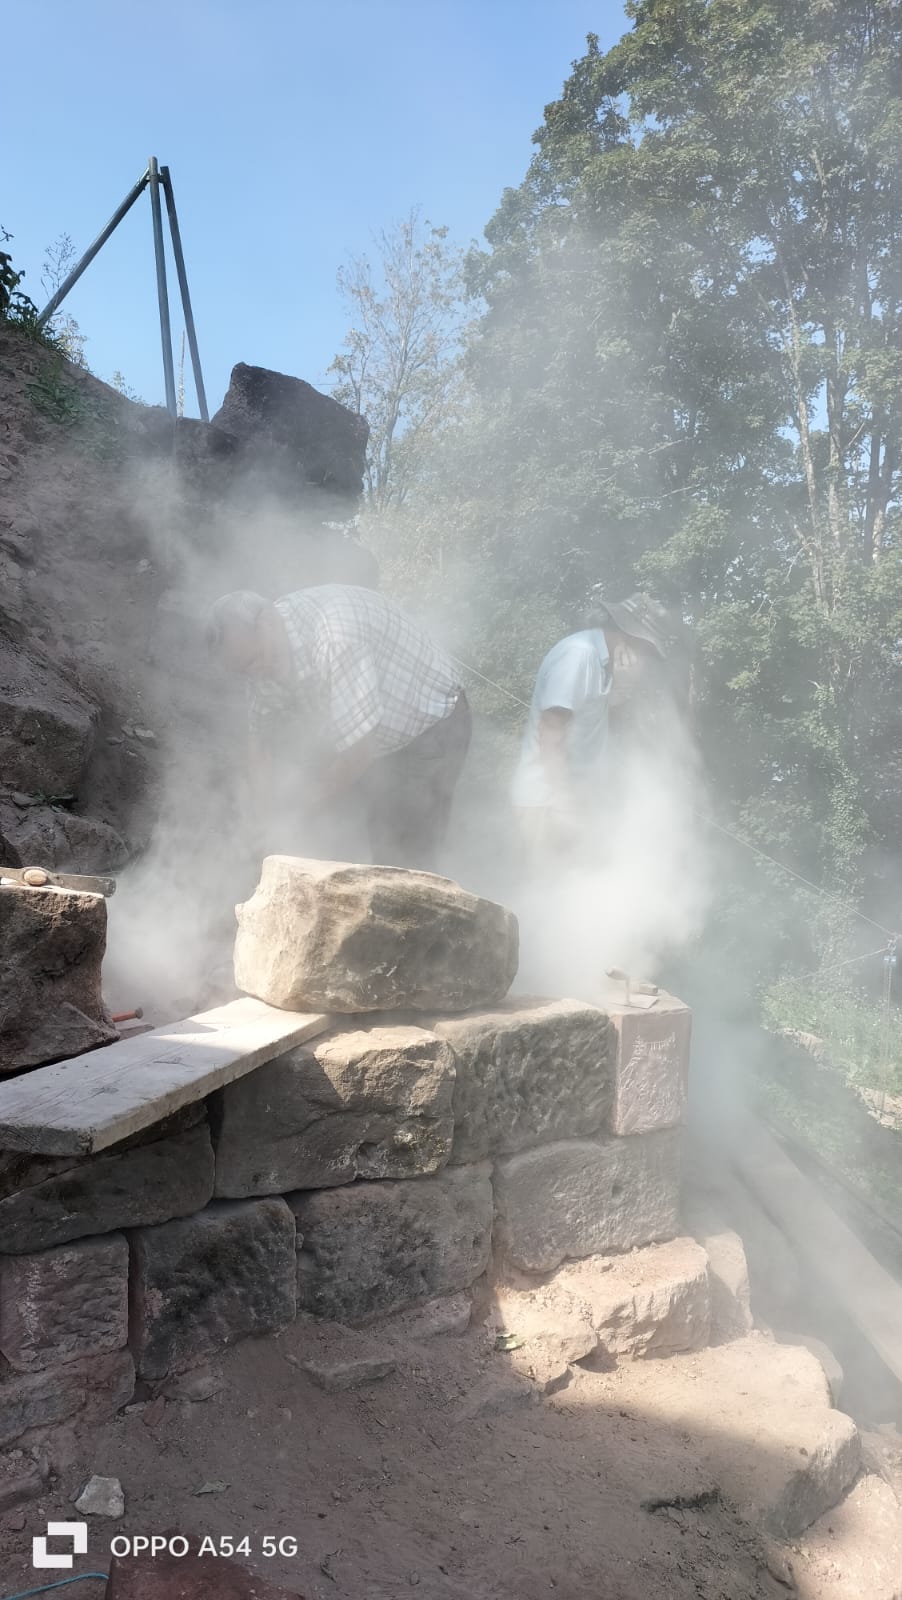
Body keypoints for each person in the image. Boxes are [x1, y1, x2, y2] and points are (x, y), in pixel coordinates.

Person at [206, 585, 470, 872]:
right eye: (243, 671)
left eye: (254, 661)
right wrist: (266, 819)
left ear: (267, 621)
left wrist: (293, 818)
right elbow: (260, 743)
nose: (253, 673)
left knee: (402, 858)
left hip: (430, 726)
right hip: (366, 735)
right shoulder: (264, 651)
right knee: (343, 835)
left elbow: (360, 752)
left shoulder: (336, 635)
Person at [512, 592, 687, 856]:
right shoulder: (579, 655)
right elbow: (551, 728)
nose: (645, 661)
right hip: (546, 803)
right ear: (629, 638)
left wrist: (623, 689)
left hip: (574, 800)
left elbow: (598, 726)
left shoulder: (604, 664)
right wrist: (562, 799)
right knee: (548, 880)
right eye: (646, 651)